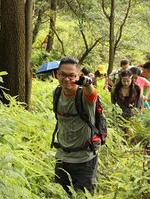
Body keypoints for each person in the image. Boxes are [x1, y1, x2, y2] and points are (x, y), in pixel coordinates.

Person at [52, 56, 99, 196]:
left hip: (85, 159)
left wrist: (88, 83)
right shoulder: (57, 93)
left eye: (72, 76)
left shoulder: (84, 95)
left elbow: (92, 93)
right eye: (63, 75)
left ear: (79, 76)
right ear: (57, 74)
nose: (67, 79)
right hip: (62, 157)